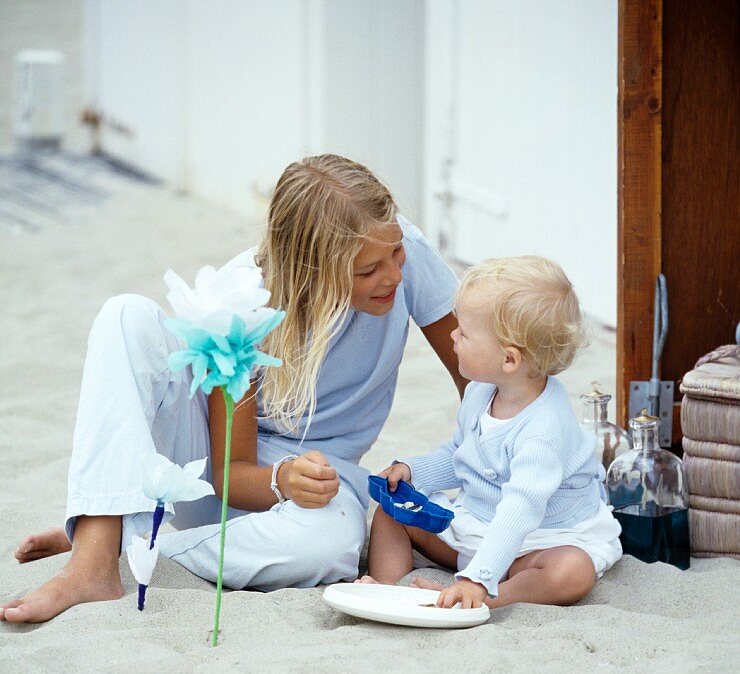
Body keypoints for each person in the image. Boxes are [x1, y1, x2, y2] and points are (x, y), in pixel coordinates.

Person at [1, 155, 463, 625]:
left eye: (396, 255)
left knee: (330, 544)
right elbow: (228, 474)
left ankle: (128, 535)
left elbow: (484, 387)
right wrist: (282, 480)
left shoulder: (396, 244)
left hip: (326, 486)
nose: (394, 275)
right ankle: (93, 560)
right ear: (310, 270)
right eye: (368, 271)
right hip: (208, 472)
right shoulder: (241, 298)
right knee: (126, 315)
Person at [360, 256, 622, 609]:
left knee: (571, 572)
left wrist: (476, 580)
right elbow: (460, 454)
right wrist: (413, 471)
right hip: (478, 525)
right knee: (391, 512)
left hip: (540, 539)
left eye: (464, 332)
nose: (452, 335)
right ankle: (387, 590)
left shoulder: (542, 432)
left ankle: (487, 597)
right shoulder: (481, 392)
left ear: (509, 359)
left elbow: (520, 510)